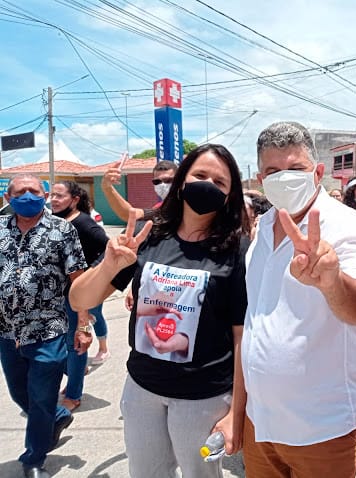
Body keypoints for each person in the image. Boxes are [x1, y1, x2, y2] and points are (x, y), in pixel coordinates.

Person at [69, 144, 248, 478]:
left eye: (220, 182)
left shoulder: (236, 246)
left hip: (203, 397)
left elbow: (241, 336)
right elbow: (79, 300)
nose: (207, 184)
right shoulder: (150, 232)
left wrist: (236, 412)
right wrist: (109, 266)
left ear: (229, 195)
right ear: (182, 181)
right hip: (143, 389)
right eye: (200, 175)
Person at [241, 121, 356, 477]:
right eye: (274, 171)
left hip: (322, 427)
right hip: (261, 422)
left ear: (317, 172)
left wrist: (332, 282)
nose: (284, 178)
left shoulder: (344, 224)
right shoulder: (263, 227)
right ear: (260, 179)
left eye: (296, 169)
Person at [0, 173, 89, 478]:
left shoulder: (62, 230)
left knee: (40, 396)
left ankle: (34, 458)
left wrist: (83, 326)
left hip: (48, 330)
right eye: (20, 191)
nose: (28, 195)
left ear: (45, 194)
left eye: (34, 190)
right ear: (8, 199)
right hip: (7, 331)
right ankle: (59, 414)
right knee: (19, 393)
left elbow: (80, 282)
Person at [50, 181, 111, 412]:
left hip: (76, 295)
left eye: (60, 195)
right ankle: (75, 377)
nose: (54, 199)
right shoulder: (57, 222)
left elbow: (110, 248)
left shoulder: (83, 222)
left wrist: (91, 275)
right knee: (62, 343)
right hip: (58, 295)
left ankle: (74, 394)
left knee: (76, 342)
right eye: (52, 195)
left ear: (74, 199)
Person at [102, 159, 178, 222]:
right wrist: (107, 187)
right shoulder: (160, 209)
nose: (162, 185)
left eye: (168, 180)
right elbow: (130, 215)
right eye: (157, 182)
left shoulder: (188, 202)